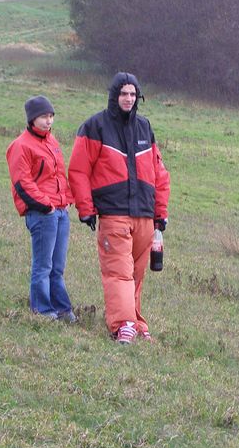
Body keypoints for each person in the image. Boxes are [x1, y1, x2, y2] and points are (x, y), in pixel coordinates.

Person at [68, 72, 170, 344]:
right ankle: (122, 324)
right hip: (114, 214)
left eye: (133, 94)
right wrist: (86, 209)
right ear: (114, 96)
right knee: (118, 272)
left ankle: (136, 322)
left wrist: (161, 213)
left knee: (136, 274)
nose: (128, 99)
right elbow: (78, 170)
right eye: (124, 94)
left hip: (145, 217)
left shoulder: (145, 127)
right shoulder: (95, 126)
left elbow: (159, 174)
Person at [6, 95, 76, 321]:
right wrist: (46, 207)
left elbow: (58, 175)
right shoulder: (20, 146)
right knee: (43, 266)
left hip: (61, 211)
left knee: (57, 266)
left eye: (51, 116)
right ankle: (43, 311)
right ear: (32, 119)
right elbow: (22, 183)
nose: (48, 121)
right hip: (43, 213)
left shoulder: (52, 142)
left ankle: (62, 309)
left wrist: (66, 200)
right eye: (44, 116)